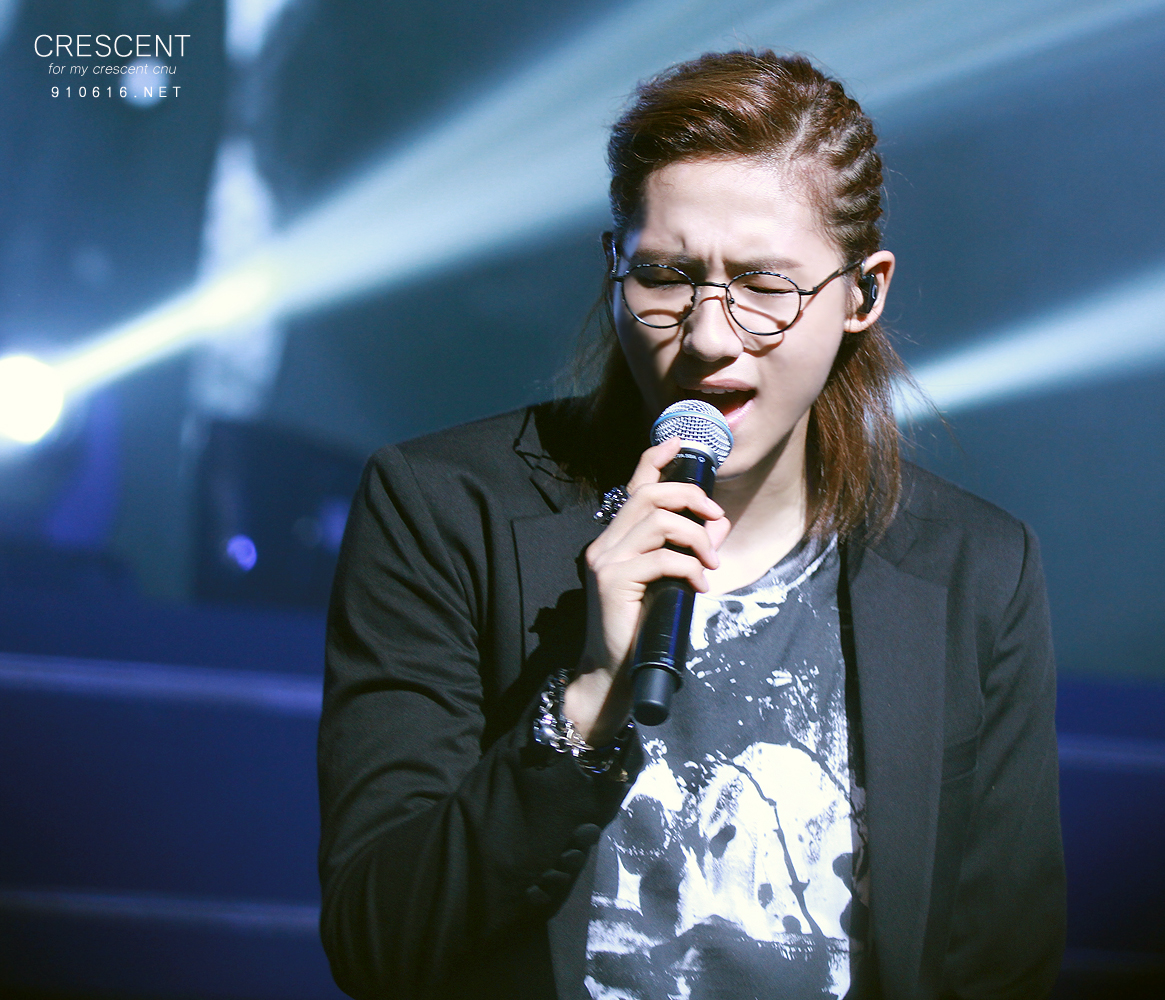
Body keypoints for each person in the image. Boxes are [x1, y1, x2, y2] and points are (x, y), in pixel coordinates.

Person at [318, 50, 1064, 1000]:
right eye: (665, 276)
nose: (709, 336)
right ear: (614, 267)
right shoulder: (440, 510)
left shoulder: (975, 570)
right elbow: (377, 944)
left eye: (764, 285)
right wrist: (587, 699)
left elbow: (998, 962)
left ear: (863, 294)